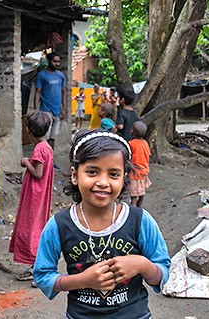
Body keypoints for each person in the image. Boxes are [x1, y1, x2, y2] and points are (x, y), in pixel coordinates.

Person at [33, 129, 171, 319]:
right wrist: (80, 280)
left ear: (124, 178)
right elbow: (42, 276)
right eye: (92, 172)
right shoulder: (58, 225)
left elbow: (163, 273)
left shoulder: (140, 221)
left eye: (114, 174)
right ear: (75, 175)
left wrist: (142, 265)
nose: (103, 182)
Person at [9, 111, 54, 285]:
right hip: (41, 195)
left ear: (28, 131)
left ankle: (38, 269)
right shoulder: (47, 147)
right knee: (37, 227)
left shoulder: (39, 149)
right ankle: (36, 267)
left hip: (35, 196)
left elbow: (38, 172)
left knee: (31, 228)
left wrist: (25, 162)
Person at [34, 52, 67, 152]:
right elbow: (38, 92)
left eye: (58, 62)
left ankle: (50, 159)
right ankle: (42, 158)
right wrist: (36, 110)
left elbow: (64, 92)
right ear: (49, 61)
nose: (57, 64)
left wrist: (64, 109)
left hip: (57, 111)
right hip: (45, 110)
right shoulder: (41, 75)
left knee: (53, 137)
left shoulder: (61, 75)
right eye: (54, 61)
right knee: (45, 137)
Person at [128, 121, 152, 208]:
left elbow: (128, 156)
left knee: (134, 196)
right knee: (141, 193)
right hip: (144, 171)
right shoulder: (145, 143)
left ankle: (134, 212)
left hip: (135, 172)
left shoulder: (131, 144)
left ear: (132, 131)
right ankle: (140, 208)